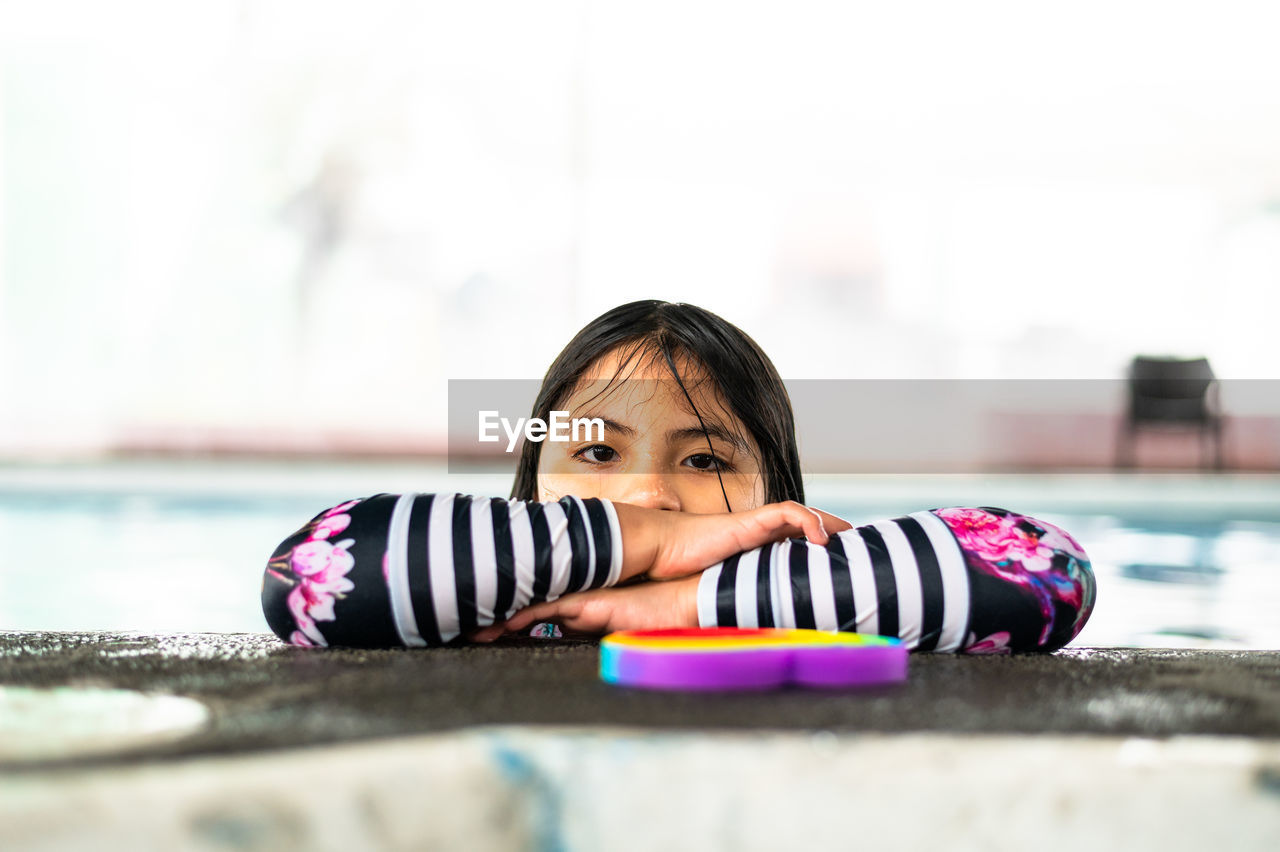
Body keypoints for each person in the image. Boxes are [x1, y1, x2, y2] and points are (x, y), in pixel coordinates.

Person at [262, 300, 1095, 653]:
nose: (649, 490)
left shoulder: (818, 584)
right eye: (596, 453)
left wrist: (684, 602)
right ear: (531, 483)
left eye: (703, 461)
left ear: (774, 497)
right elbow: (308, 573)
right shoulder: (492, 588)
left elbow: (1043, 573)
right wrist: (654, 541)